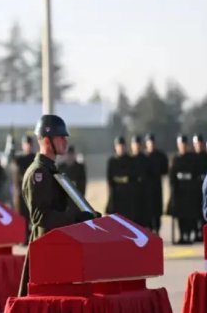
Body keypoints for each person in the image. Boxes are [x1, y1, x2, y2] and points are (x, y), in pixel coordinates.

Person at [19, 114, 96, 296]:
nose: (65, 141)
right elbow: (40, 217)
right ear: (46, 140)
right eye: (60, 137)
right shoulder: (39, 173)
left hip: (58, 247)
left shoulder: (51, 170)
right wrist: (75, 218)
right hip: (46, 251)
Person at [167, 135, 201, 244]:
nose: (183, 147)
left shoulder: (193, 158)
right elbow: (172, 175)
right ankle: (182, 235)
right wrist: (173, 188)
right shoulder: (175, 159)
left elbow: (196, 174)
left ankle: (188, 235)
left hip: (190, 191)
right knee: (180, 216)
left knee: (189, 216)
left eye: (185, 145)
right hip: (179, 191)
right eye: (181, 145)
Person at [11, 134, 36, 244]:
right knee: (22, 217)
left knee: (33, 217)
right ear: (23, 145)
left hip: (33, 192)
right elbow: (13, 162)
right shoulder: (19, 159)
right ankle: (24, 238)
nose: (28, 146)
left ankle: (34, 237)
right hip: (21, 193)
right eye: (26, 144)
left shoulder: (35, 158)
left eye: (30, 144)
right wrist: (11, 148)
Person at [106, 136, 136, 221]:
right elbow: (110, 180)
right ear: (115, 147)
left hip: (128, 198)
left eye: (122, 146)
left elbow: (132, 178)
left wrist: (120, 179)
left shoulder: (131, 160)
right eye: (119, 146)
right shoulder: (112, 161)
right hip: (116, 197)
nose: (121, 148)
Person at [145, 133, 169, 233]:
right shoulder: (143, 157)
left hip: (157, 187)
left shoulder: (160, 156)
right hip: (146, 189)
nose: (151, 145)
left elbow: (165, 170)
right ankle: (149, 229)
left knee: (157, 211)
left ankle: (157, 230)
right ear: (146, 144)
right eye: (149, 143)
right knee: (147, 210)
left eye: (153, 143)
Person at [129, 135, 153, 228]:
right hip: (132, 193)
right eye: (135, 144)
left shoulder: (146, 159)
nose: (137, 146)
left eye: (138, 144)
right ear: (131, 146)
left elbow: (150, 175)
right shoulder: (129, 160)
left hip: (144, 193)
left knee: (143, 218)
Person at [192, 133, 207, 240]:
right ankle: (196, 233)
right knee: (194, 212)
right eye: (196, 144)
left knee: (204, 212)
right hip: (194, 189)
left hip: (205, 189)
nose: (198, 146)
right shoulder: (191, 158)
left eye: (200, 144)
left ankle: (204, 233)